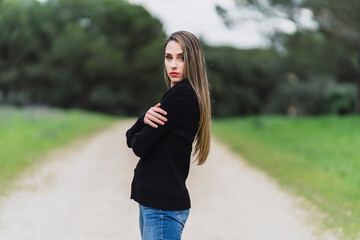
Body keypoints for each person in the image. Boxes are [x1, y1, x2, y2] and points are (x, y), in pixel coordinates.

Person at [125, 30, 211, 240]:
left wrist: (140, 126)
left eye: (181, 58)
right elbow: (130, 137)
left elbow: (139, 146)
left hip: (161, 209)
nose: (173, 65)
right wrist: (144, 117)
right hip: (156, 205)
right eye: (168, 57)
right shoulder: (179, 95)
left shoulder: (182, 95)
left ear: (193, 61)